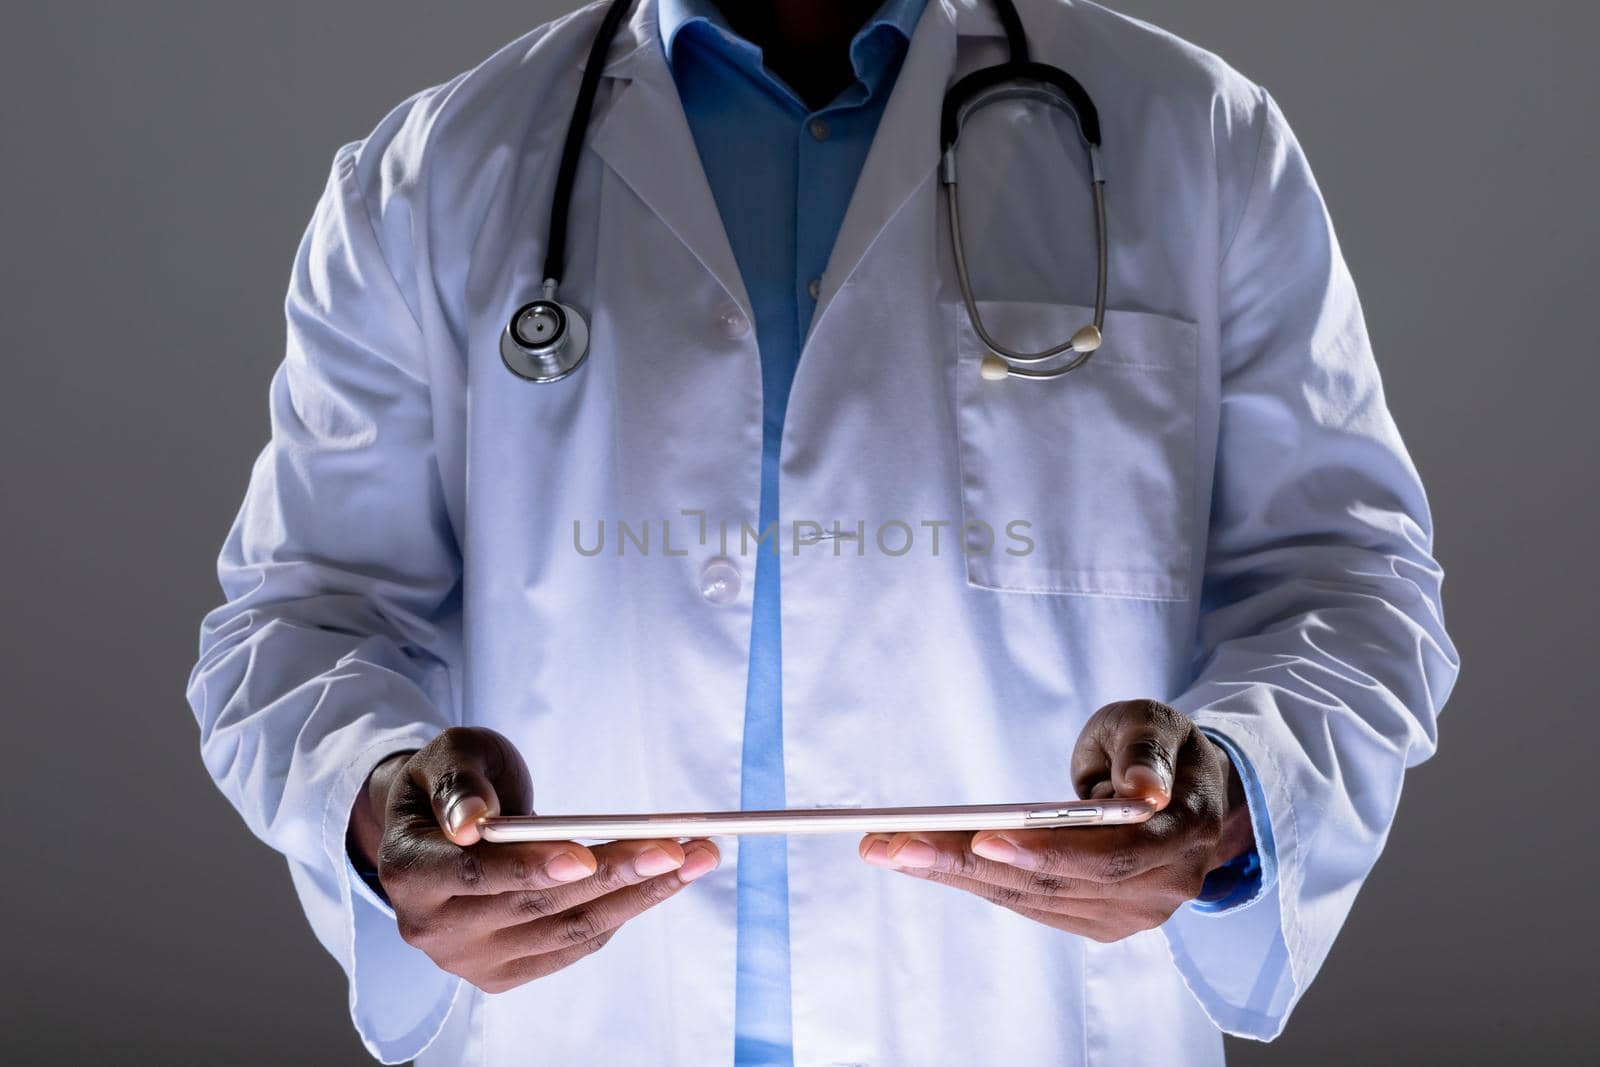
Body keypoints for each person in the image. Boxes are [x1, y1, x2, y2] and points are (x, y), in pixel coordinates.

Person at [185, 0, 1459, 1063]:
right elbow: (304, 613)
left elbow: (1351, 584)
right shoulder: (433, 176)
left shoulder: (1197, 138)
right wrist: (371, 805)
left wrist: (1232, 788)